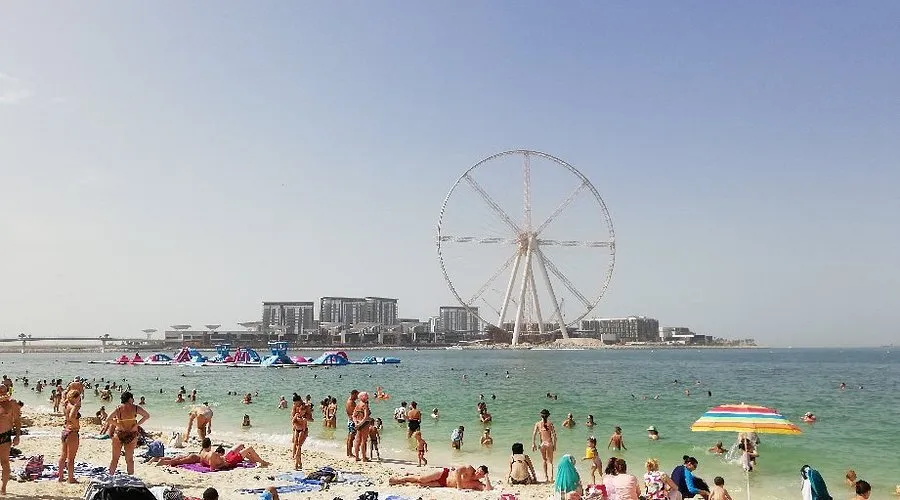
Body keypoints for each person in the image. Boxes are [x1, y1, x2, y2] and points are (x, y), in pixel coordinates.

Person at [108, 391, 150, 475]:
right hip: (132, 433)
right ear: (130, 399)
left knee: (115, 458)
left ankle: (110, 476)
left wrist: (119, 425)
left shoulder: (118, 408)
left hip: (119, 433)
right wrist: (136, 425)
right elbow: (147, 416)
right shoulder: (135, 408)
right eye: (132, 398)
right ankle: (131, 478)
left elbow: (108, 419)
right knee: (129, 459)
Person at [389, 464, 492, 490]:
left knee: (421, 484)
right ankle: (398, 479)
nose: (477, 473)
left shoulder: (477, 483)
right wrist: (459, 487)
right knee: (421, 479)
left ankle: (402, 482)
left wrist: (487, 477)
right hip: (444, 474)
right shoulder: (469, 469)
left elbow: (487, 489)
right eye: (478, 470)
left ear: (482, 476)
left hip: (443, 484)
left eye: (480, 473)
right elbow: (457, 471)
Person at [0, 385, 21, 495]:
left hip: (5, 435)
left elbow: (17, 420)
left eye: (4, 391)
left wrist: (17, 435)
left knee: (4, 462)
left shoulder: (12, 403)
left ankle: (3, 488)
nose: (2, 393)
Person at [58, 388, 82, 483]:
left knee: (63, 455)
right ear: (76, 398)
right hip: (72, 432)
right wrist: (76, 407)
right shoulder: (73, 406)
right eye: (79, 398)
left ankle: (60, 477)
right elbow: (72, 416)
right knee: (71, 458)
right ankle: (70, 478)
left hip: (66, 431)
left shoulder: (67, 404)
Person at [532, 408, 558, 482]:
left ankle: (546, 477)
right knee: (550, 461)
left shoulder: (537, 424)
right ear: (548, 416)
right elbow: (555, 436)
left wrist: (533, 444)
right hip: (549, 443)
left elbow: (534, 434)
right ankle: (551, 478)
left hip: (542, 444)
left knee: (544, 460)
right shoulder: (550, 424)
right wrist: (555, 445)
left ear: (541, 416)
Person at [291, 395, 310, 469]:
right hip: (296, 428)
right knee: (296, 444)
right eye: (294, 403)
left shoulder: (306, 406)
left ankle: (296, 463)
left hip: (303, 428)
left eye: (296, 403)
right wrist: (295, 422)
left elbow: (311, 418)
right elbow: (292, 418)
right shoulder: (295, 406)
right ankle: (299, 463)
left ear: (299, 401)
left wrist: (303, 419)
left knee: (299, 445)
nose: (295, 405)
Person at [345, 390, 359, 457]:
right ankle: (350, 453)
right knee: (351, 437)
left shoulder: (349, 401)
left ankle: (348, 452)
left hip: (350, 420)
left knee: (350, 437)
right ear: (353, 394)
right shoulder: (351, 402)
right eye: (356, 395)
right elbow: (353, 413)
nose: (357, 397)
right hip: (352, 421)